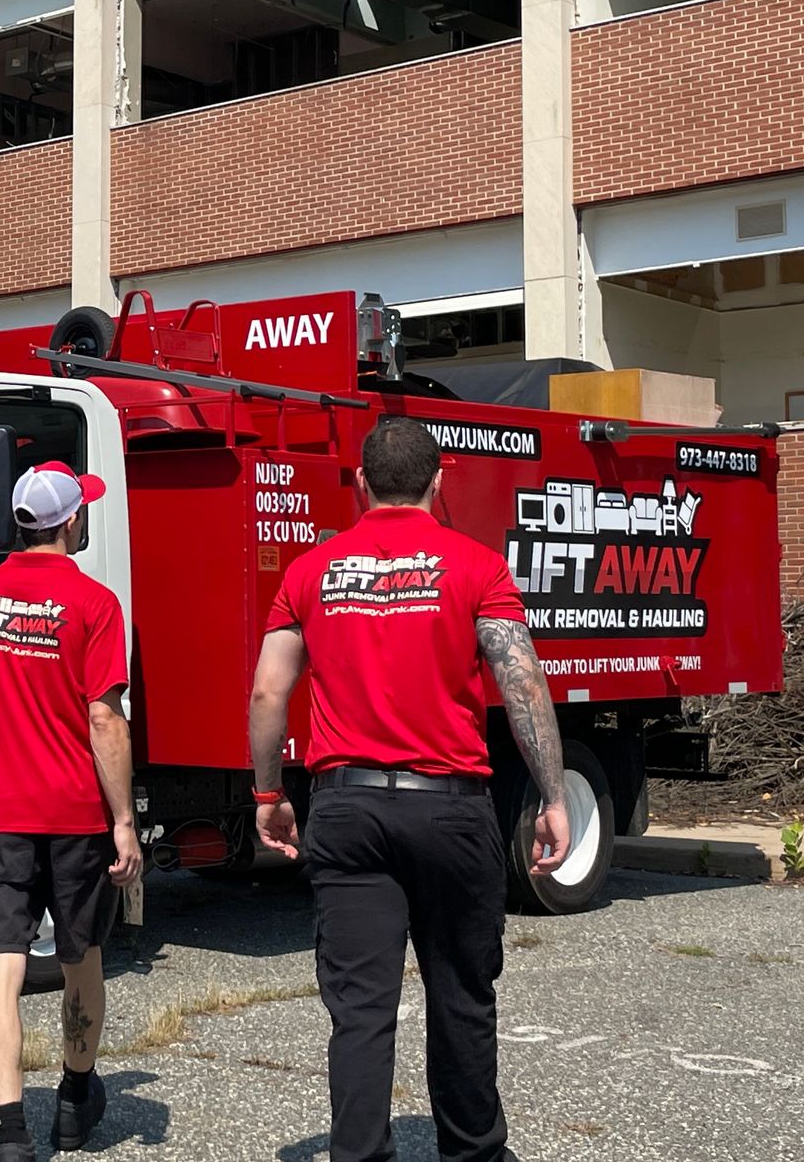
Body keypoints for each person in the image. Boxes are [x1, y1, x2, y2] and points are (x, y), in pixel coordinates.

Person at [247, 418, 571, 1162]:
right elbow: (521, 679)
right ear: (438, 480)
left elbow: (269, 694)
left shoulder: (311, 570)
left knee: (360, 1010)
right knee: (461, 996)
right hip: (451, 809)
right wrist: (552, 795)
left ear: (361, 484)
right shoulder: (476, 566)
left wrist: (270, 793)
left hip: (349, 807)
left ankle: (358, 1154)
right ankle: (473, 1153)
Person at [0, 460, 145, 1162]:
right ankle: (77, 1100)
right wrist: (123, 821)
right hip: (74, 814)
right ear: (71, 521)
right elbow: (104, 719)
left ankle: (13, 1133)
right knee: (82, 957)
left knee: (1, 965)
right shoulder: (94, 603)